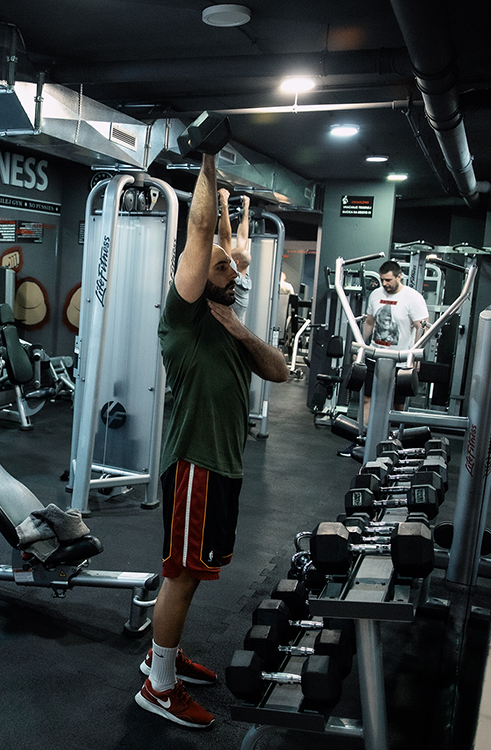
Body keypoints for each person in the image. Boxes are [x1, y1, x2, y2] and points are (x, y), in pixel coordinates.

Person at [136, 154, 288, 729]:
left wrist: (240, 328)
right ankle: (158, 686)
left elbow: (279, 371)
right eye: (222, 269)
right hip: (195, 464)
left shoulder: (227, 326)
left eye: (232, 269)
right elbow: (202, 230)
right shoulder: (183, 317)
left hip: (224, 466)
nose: (233, 274)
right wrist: (207, 160)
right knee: (181, 573)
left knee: (194, 571)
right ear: (199, 277)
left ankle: (163, 654)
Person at [359, 260, 429, 423]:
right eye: (382, 280)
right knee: (367, 399)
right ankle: (363, 435)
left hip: (400, 360)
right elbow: (369, 322)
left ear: (399, 277)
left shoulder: (413, 297)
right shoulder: (375, 295)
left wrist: (415, 356)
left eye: (388, 280)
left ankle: (395, 436)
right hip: (374, 356)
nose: (384, 284)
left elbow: (421, 327)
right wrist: (361, 347)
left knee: (398, 405)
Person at [218, 188, 251, 320]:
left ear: (235, 263)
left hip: (225, 330)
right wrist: (246, 210)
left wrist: (224, 204)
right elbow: (243, 238)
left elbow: (225, 238)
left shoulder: (235, 276)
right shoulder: (244, 279)